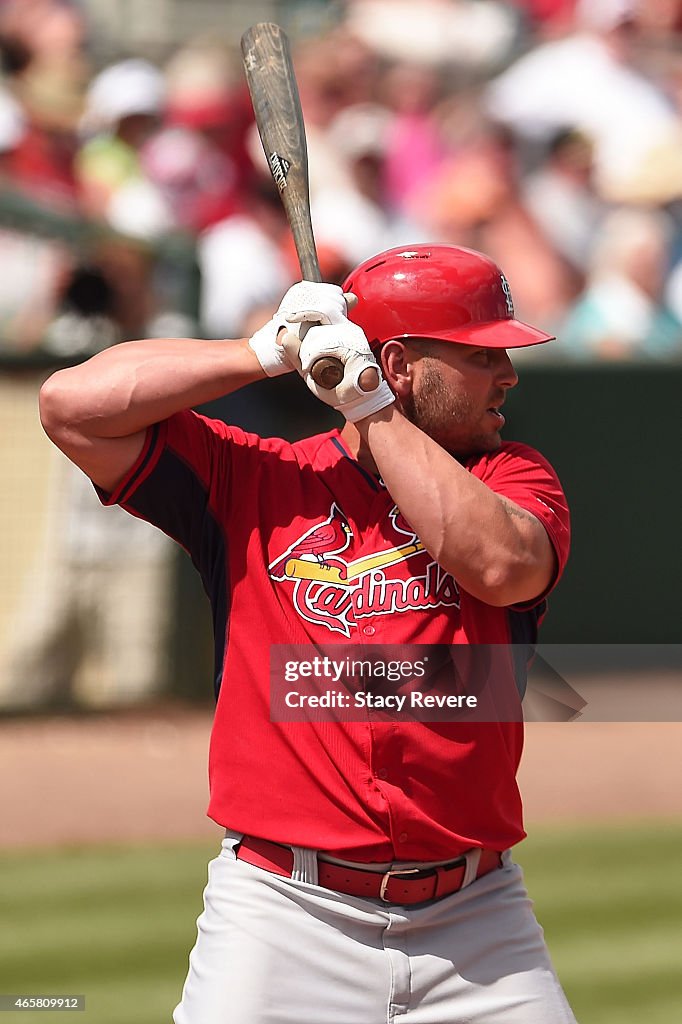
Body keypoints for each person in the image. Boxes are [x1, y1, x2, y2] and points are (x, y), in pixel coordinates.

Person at [39, 243, 574, 1024]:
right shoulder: (256, 478)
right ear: (397, 361)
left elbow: (499, 565)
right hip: (283, 913)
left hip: (477, 923)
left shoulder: (513, 476)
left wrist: (370, 409)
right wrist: (265, 350)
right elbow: (70, 405)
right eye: (481, 354)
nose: (508, 375)